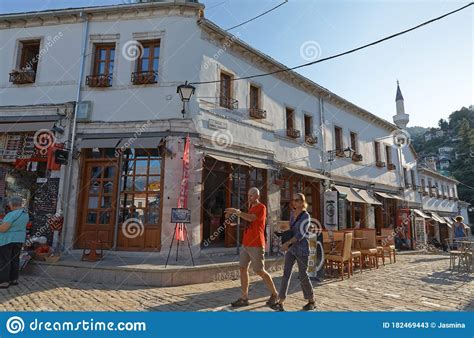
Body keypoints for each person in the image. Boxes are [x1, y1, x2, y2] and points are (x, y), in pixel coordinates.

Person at [225, 187, 278, 308]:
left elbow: (251, 218)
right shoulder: (250, 208)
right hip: (246, 243)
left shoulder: (261, 207)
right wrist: (232, 220)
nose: (249, 197)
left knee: (259, 270)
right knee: (242, 268)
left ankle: (275, 294)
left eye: (252, 195)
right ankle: (244, 297)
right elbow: (248, 222)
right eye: (248, 195)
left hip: (256, 244)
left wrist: (237, 212)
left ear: (257, 196)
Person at [271, 193, 316, 311]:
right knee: (286, 274)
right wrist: (283, 232)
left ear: (302, 202)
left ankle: (311, 300)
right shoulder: (292, 213)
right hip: (291, 249)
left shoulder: (306, 216)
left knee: (303, 275)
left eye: (296, 200)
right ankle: (280, 301)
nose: (294, 202)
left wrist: (287, 243)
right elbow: (292, 229)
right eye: (293, 200)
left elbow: (300, 235)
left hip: (302, 249)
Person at [0, 196, 29, 288]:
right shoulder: (25, 214)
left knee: (5, 260)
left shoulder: (11, 214)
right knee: (15, 259)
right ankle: (14, 279)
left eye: (9, 203)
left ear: (12, 204)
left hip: (7, 240)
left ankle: (4, 281)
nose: (8, 205)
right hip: (19, 239)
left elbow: (3, 229)